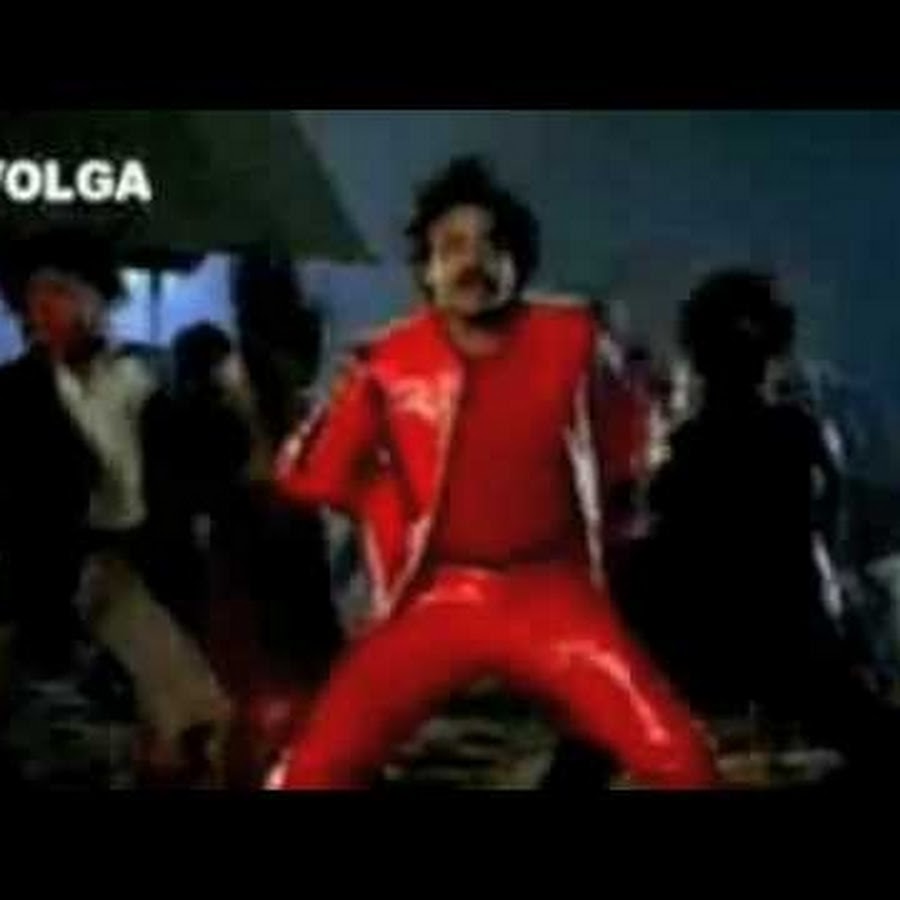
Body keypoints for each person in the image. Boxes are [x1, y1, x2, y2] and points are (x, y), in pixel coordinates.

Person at [266, 158, 718, 790]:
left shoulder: (575, 340)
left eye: (491, 245)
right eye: (452, 247)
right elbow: (311, 477)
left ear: (518, 262)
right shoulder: (386, 363)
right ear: (427, 270)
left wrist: (619, 536)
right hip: (438, 597)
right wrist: (379, 493)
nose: (472, 262)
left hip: (553, 593)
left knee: (683, 761)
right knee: (311, 771)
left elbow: (633, 446)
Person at [0, 229, 230, 787]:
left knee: (196, 727)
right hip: (55, 582)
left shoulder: (145, 378)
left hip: (146, 567)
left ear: (98, 298)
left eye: (60, 290)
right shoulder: (14, 394)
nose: (44, 306)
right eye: (34, 293)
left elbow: (202, 467)